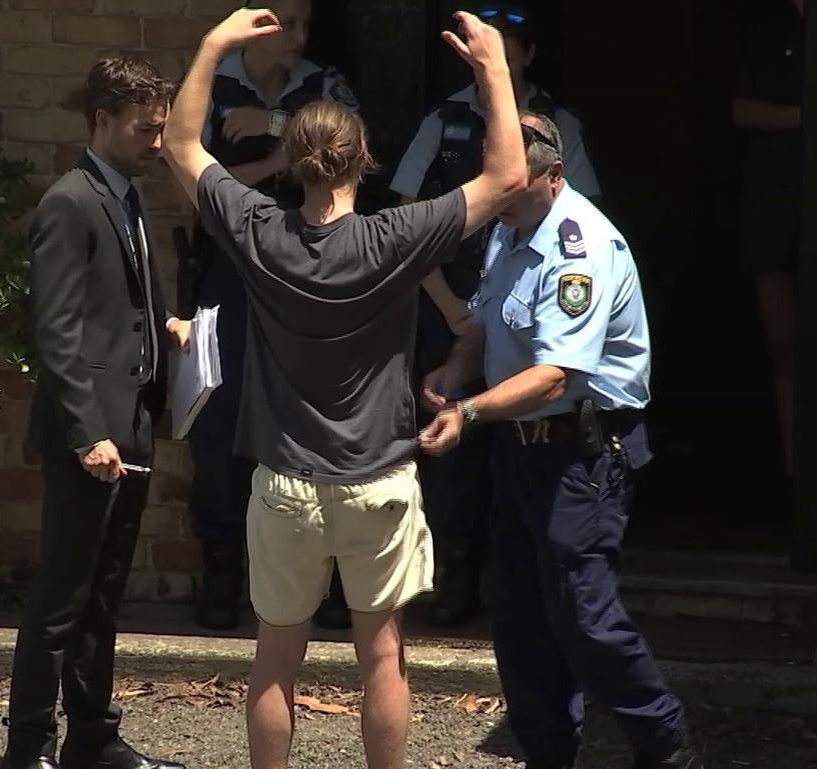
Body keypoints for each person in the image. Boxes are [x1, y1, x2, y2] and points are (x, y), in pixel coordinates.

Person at [163, 8, 526, 769]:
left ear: (293, 162)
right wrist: (493, 68)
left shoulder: (261, 230)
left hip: (286, 484)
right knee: (383, 659)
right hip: (377, 481)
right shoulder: (397, 237)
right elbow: (507, 178)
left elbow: (180, 145)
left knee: (275, 661)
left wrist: (213, 44)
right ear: (363, 159)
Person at [419, 112, 702, 769]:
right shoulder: (508, 228)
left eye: (512, 185)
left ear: (554, 175)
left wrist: (467, 412)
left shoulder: (582, 247)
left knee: (583, 614)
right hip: (518, 449)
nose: (498, 195)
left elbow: (556, 377)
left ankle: (664, 743)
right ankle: (547, 752)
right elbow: (486, 324)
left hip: (582, 450)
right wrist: (453, 371)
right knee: (517, 614)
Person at [390, 2, 603, 627]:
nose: (497, 71)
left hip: (530, 315)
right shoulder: (446, 119)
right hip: (449, 307)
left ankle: (512, 580)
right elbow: (406, 219)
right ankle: (455, 576)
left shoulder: (556, 124)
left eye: (509, 57)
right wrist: (456, 313)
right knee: (450, 455)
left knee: (522, 439)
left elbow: (578, 210)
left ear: (528, 57)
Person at [5, 56, 191, 769]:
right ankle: (28, 748)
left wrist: (168, 325)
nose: (156, 142)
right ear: (101, 120)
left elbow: (127, 293)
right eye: (144, 129)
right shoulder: (70, 202)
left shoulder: (124, 195)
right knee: (60, 595)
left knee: (103, 593)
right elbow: (56, 333)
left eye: (161, 128)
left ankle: (92, 733)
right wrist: (87, 433)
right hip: (92, 434)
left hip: (132, 423)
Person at [186, 0, 361, 631]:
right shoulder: (216, 86)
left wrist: (277, 122)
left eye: (307, 24)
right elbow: (192, 175)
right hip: (232, 269)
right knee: (222, 417)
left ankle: (335, 577)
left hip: (310, 260)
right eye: (288, 22)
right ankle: (222, 571)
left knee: (318, 409)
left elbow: (354, 152)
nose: (299, 36)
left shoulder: (325, 84)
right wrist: (283, 160)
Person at [732, 0, 804, 477]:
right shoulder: (766, 24)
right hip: (777, 201)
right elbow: (740, 108)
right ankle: (797, 471)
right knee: (787, 346)